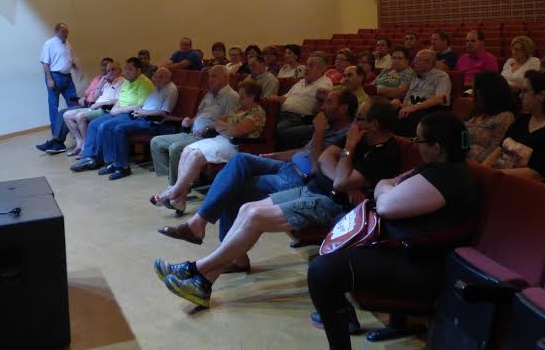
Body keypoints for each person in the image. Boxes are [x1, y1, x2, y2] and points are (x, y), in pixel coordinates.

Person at [153, 98, 401, 308]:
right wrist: (340, 170)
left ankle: (195, 269)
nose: (357, 124)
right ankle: (203, 282)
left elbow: (337, 183)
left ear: (374, 125)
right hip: (313, 189)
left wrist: (345, 152)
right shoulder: (358, 141)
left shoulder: (382, 152)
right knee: (247, 208)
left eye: (361, 119)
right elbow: (326, 159)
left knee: (254, 217)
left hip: (331, 204)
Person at [307, 112, 479, 350]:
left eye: (419, 141)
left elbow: (386, 204)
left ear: (437, 147)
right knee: (331, 244)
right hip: (404, 249)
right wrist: (385, 186)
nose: (416, 146)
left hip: (423, 265)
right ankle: (343, 315)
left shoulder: (447, 176)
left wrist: (384, 187)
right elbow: (388, 187)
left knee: (321, 271)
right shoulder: (437, 169)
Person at [157, 90, 358, 246]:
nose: (322, 106)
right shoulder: (329, 126)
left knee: (234, 187)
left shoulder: (347, 137)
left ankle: (210, 235)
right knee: (240, 160)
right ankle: (197, 219)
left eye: (328, 102)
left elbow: (315, 168)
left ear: (344, 109)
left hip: (301, 178)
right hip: (287, 165)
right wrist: (275, 155)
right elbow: (304, 151)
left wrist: (319, 132)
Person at [151, 80, 266, 213]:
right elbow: (217, 122)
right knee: (187, 150)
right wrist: (225, 127)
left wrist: (223, 127)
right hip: (220, 139)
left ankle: (173, 193)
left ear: (252, 97)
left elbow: (237, 132)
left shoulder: (257, 113)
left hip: (236, 145)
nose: (239, 100)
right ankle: (180, 200)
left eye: (242, 97)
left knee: (196, 155)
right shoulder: (239, 109)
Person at [149, 65, 240, 187]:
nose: (210, 79)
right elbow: (199, 114)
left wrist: (207, 128)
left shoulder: (232, 96)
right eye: (209, 76)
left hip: (209, 136)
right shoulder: (209, 94)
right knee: (156, 142)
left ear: (224, 78)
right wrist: (190, 120)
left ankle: (176, 186)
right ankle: (177, 179)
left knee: (176, 148)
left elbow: (228, 122)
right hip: (192, 132)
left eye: (214, 76)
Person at [484, 70, 545, 184]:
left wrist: (494, 176)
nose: (520, 96)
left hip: (525, 188)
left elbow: (537, 173)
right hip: (499, 180)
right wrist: (483, 171)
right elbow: (499, 151)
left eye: (525, 91)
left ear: (541, 95)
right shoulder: (521, 121)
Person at [69, 57, 153, 171]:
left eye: (130, 69)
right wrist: (115, 108)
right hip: (119, 112)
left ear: (138, 70)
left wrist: (118, 110)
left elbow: (140, 107)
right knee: (94, 124)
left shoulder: (144, 84)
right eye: (126, 68)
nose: (126, 71)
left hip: (132, 115)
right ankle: (87, 156)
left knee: (105, 126)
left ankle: (103, 160)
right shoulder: (127, 82)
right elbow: (120, 99)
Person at [96, 68, 179, 180]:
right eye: (155, 76)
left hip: (152, 122)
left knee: (119, 129)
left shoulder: (171, 89)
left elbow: (163, 112)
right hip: (140, 117)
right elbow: (147, 106)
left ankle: (123, 167)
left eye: (160, 77)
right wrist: (139, 111)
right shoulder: (157, 89)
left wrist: (143, 112)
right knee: (109, 126)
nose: (156, 79)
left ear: (168, 78)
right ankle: (113, 162)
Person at [35, 56, 113, 153]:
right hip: (85, 103)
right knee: (62, 113)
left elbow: (101, 96)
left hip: (93, 105)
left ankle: (59, 142)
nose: (104, 68)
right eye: (103, 65)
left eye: (107, 66)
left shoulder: (109, 81)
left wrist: (89, 100)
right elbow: (87, 93)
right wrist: (83, 98)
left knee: (70, 113)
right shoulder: (97, 78)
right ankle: (58, 141)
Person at [268, 55, 334, 150]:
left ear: (321, 70)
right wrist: (275, 98)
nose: (306, 68)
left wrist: (322, 97)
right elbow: (285, 98)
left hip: (300, 118)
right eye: (306, 65)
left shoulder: (325, 83)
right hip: (282, 114)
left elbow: (325, 99)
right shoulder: (301, 82)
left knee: (275, 131)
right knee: (263, 127)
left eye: (311, 66)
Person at [63, 61, 124, 156]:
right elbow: (95, 98)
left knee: (80, 116)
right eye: (108, 70)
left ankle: (86, 147)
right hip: (95, 107)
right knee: (67, 115)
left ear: (120, 71)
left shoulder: (121, 81)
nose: (110, 72)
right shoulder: (107, 82)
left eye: (113, 69)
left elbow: (118, 100)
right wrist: (101, 83)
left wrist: (100, 104)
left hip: (105, 109)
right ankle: (80, 142)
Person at [393, 49, 451, 138]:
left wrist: (413, 107)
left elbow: (439, 98)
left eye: (418, 59)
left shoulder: (441, 76)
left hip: (429, 111)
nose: (414, 62)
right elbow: (407, 100)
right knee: (386, 111)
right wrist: (400, 104)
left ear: (429, 62)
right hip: (412, 109)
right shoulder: (415, 77)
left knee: (407, 119)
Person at [466, 72, 516, 163]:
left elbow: (495, 153)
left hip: (483, 166)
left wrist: (464, 152)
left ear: (485, 93)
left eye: (474, 90)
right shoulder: (477, 112)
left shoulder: (505, 117)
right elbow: (463, 138)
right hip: (463, 160)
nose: (472, 94)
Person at [40, 22, 78, 140]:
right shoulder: (49, 44)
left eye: (67, 32)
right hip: (55, 77)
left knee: (74, 103)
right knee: (53, 105)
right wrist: (49, 79)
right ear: (56, 31)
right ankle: (56, 134)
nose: (66, 34)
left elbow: (71, 60)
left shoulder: (67, 44)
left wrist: (78, 70)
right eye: (63, 31)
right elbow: (45, 63)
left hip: (67, 78)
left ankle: (76, 130)